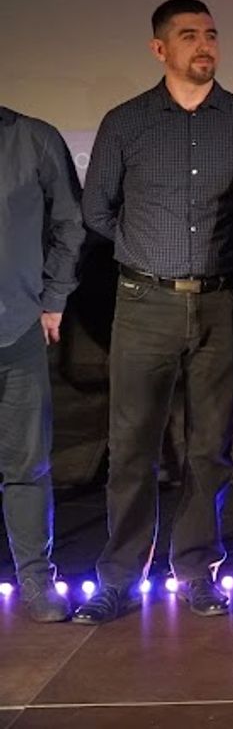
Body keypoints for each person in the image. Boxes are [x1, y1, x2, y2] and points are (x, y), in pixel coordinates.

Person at [74, 0, 233, 625]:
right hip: (145, 302)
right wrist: (146, 254)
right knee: (132, 447)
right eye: (188, 35)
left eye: (210, 34)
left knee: (210, 448)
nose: (204, 45)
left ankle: (196, 570)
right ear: (159, 48)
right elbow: (96, 210)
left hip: (222, 303)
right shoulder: (126, 122)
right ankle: (118, 576)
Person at [0, 105, 86, 622]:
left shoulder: (32, 138)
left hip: (15, 331)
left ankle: (35, 578)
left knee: (26, 465)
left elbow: (70, 222)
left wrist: (53, 297)